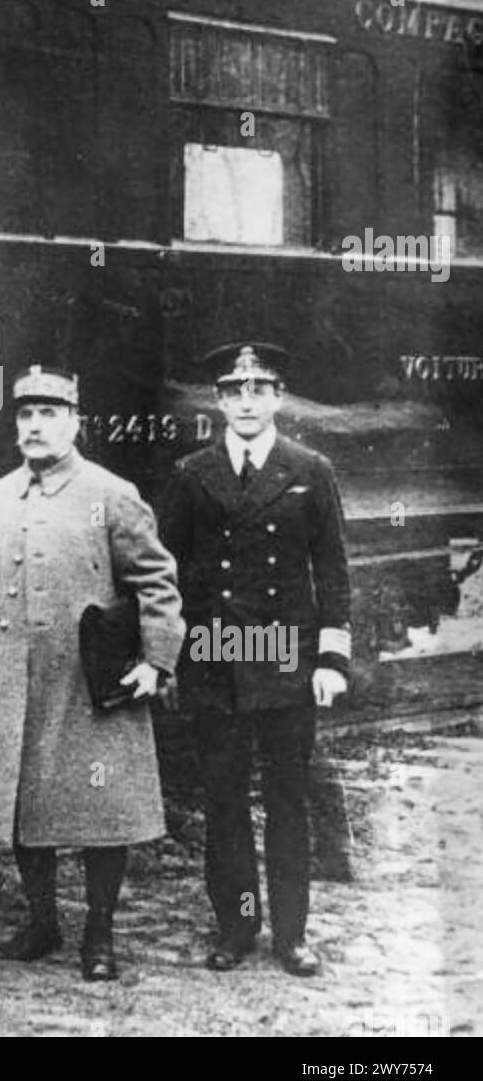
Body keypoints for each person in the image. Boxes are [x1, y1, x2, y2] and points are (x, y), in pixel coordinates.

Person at [0, 366, 185, 981]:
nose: (35, 425)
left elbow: (156, 581)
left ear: (74, 422)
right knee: (26, 809)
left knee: (101, 815)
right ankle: (41, 921)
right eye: (26, 414)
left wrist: (156, 660)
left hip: (90, 683)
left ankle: (98, 935)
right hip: (15, 684)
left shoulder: (112, 492)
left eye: (50, 413)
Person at [159, 342, 351, 977]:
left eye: (259, 389)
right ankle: (237, 927)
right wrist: (170, 655)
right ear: (219, 401)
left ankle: (292, 936)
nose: (246, 401)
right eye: (234, 391)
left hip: (287, 661)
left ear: (278, 398)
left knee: (287, 800)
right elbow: (170, 570)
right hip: (216, 656)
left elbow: (332, 570)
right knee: (225, 802)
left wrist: (330, 660)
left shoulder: (310, 468)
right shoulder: (193, 472)